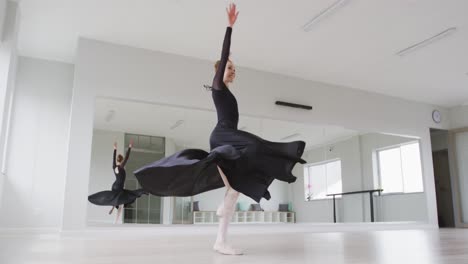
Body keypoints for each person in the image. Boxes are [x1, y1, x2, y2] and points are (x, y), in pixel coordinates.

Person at [135, 3, 306, 255]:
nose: (232, 70)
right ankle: (237, 193)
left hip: (229, 140)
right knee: (257, 146)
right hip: (224, 136)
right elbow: (223, 54)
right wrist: (229, 27)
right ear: (218, 71)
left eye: (234, 69)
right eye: (229, 67)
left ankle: (220, 240)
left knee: (235, 190)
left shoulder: (227, 91)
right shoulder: (217, 86)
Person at [88, 140, 147, 224]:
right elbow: (127, 157)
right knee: (121, 202)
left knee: (118, 200)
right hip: (119, 187)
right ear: (122, 160)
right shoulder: (121, 167)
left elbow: (114, 159)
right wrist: (130, 147)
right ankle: (116, 220)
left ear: (117, 160)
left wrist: (115, 149)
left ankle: (113, 208)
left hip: (115, 186)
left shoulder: (114, 167)